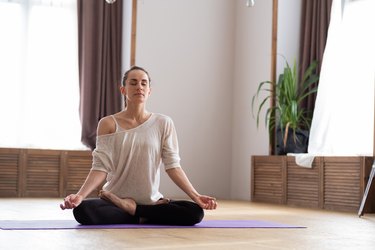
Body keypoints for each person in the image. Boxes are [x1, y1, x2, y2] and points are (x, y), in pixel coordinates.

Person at [60, 66, 217, 225]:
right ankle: (144, 214)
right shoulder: (108, 123)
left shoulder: (163, 123)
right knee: (82, 211)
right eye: (133, 83)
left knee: (194, 213)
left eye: (144, 83)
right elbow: (100, 167)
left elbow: (173, 165)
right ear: (123, 89)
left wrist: (195, 196)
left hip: (152, 201)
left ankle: (134, 211)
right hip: (115, 200)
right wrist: (80, 196)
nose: (139, 87)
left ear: (149, 91)